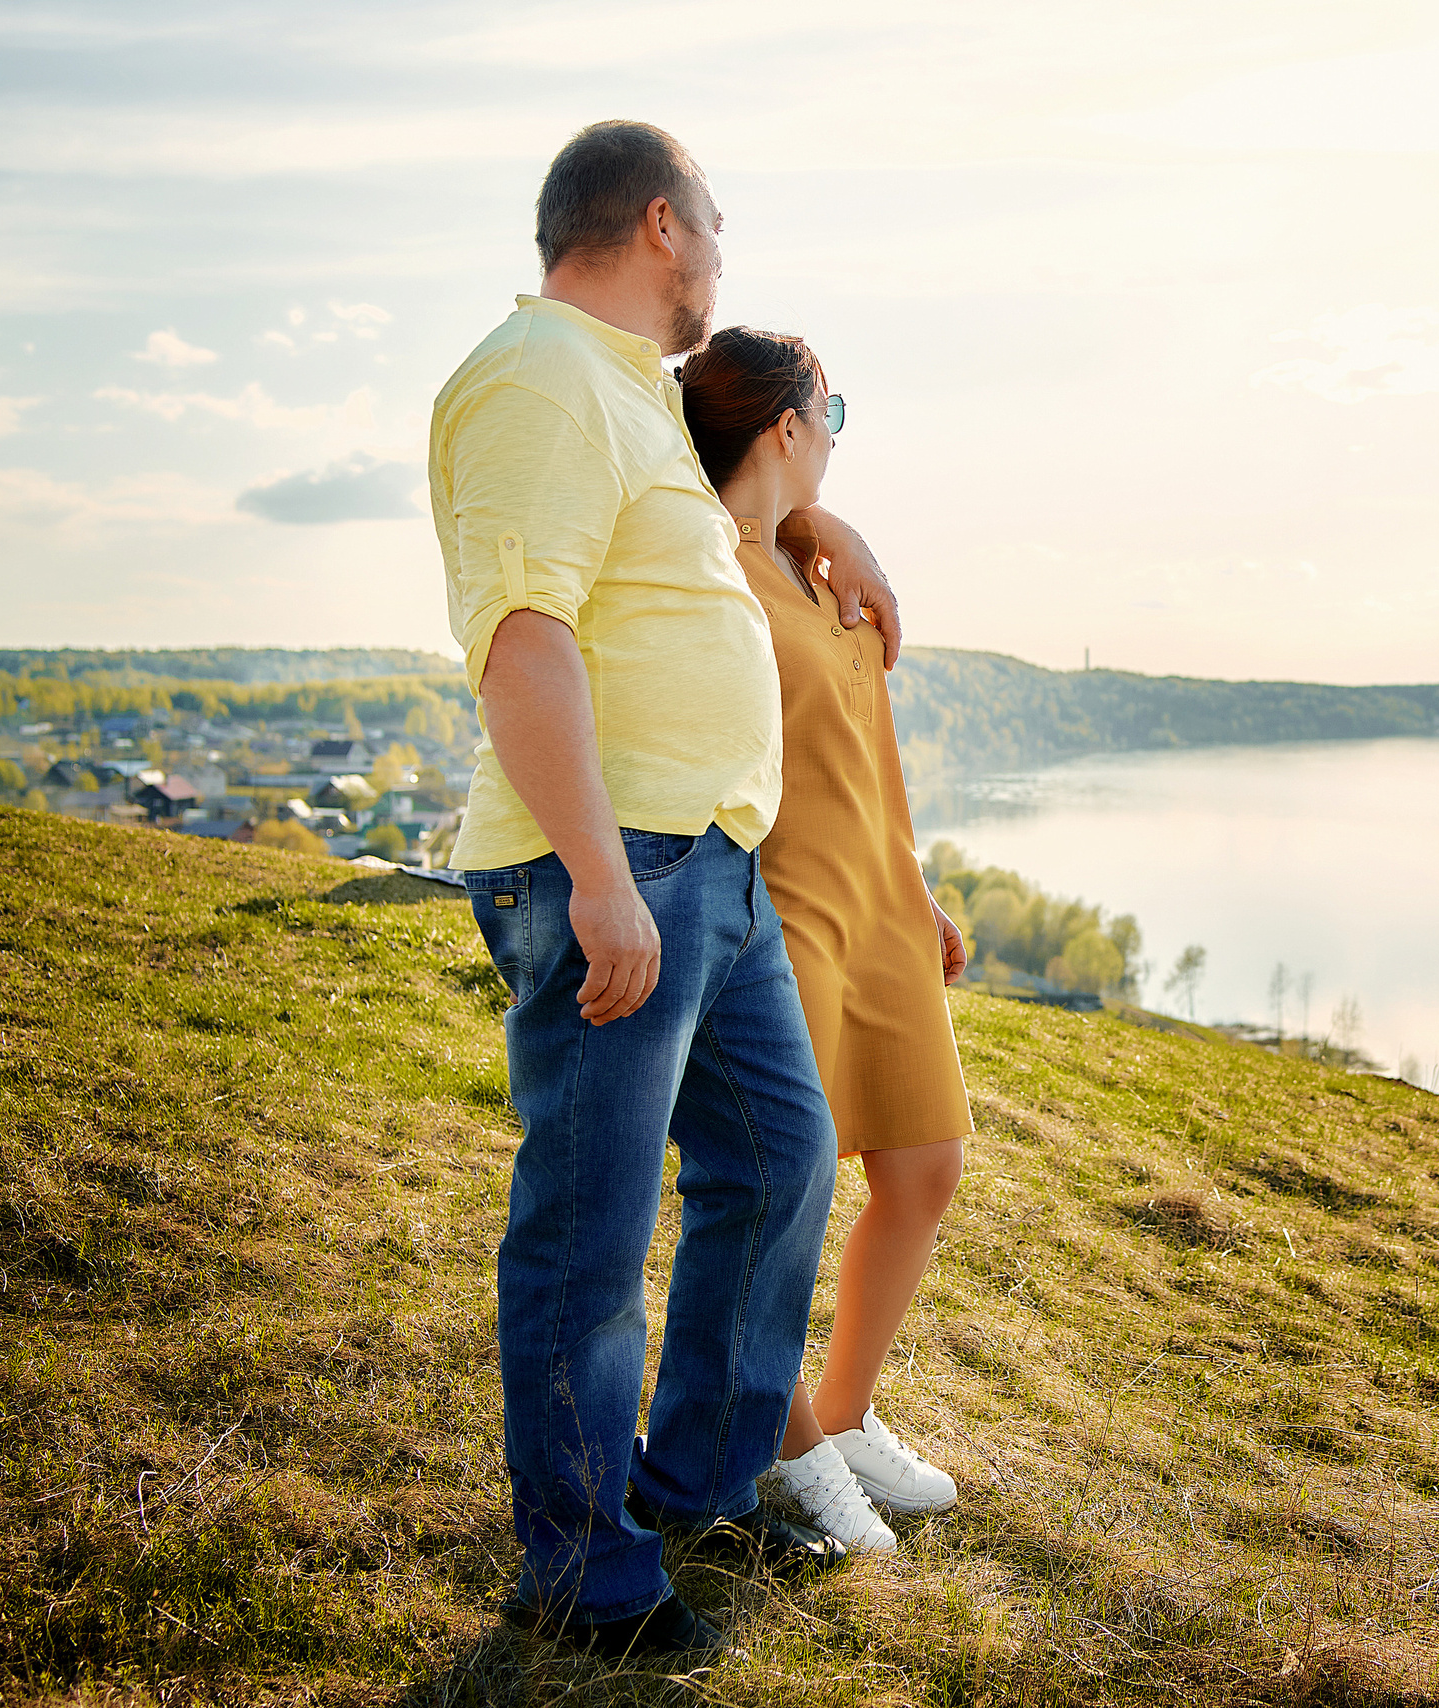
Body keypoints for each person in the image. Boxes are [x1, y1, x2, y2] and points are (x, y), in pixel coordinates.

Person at [429, 120, 904, 1664]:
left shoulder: (627, 397)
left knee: (781, 1161)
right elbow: (526, 636)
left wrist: (825, 514)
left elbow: (716, 541)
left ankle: (699, 1479)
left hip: (709, 861)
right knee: (587, 1222)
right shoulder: (538, 379)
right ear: (660, 226)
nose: (724, 252)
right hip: (614, 867)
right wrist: (591, 880)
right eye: (719, 223)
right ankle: (580, 1572)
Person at [675, 327, 972, 1555]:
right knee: (781, 1192)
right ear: (786, 426)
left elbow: (864, 740)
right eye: (830, 407)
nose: (840, 428)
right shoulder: (707, 564)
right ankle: (786, 1443)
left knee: (924, 1165)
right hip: (783, 903)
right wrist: (799, 531)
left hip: (883, 898)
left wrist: (920, 882)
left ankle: (841, 1415)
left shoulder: (811, 563)